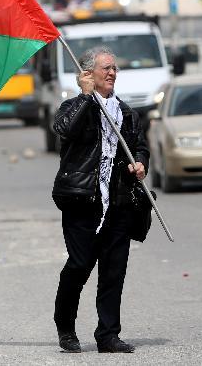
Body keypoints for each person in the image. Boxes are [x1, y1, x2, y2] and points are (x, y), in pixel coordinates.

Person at [51, 46, 149, 354]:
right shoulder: (74, 106)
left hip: (119, 201)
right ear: (88, 74)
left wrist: (140, 163)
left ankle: (108, 335)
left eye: (114, 69)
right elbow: (64, 130)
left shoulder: (127, 113)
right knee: (80, 265)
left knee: (113, 271)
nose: (111, 73)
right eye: (105, 68)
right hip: (82, 200)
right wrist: (85, 97)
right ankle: (65, 327)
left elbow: (140, 147)